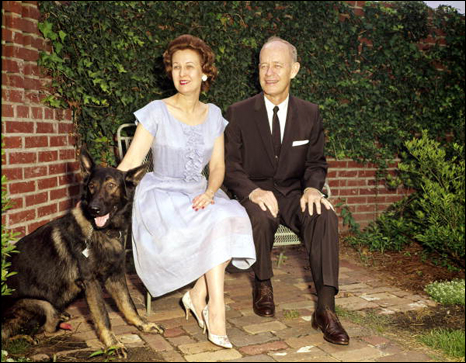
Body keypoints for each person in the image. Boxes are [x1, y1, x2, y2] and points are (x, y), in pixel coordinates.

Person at [118, 34, 256, 349]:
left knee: (230, 214)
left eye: (190, 67)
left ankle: (198, 295)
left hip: (200, 191)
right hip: (161, 194)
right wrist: (103, 186)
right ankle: (214, 309)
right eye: (177, 66)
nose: (183, 73)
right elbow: (132, 161)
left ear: (204, 72)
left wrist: (210, 191)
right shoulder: (156, 110)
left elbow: (218, 167)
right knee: (217, 220)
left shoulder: (215, 115)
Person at [224, 36, 349, 345]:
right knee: (259, 217)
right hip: (256, 192)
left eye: (277, 66)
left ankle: (326, 308)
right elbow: (230, 164)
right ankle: (263, 283)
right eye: (263, 66)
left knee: (324, 216)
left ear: (294, 70)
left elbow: (316, 162)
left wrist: (311, 189)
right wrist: (252, 192)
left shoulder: (310, 113)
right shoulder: (239, 113)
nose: (269, 73)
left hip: (295, 193)